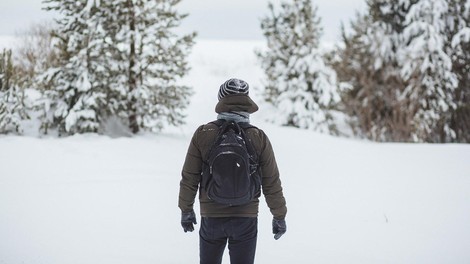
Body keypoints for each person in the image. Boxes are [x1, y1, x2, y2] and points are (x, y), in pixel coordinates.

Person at [178, 78, 287, 264]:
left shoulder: (204, 133)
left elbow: (190, 177)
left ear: (221, 100)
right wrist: (279, 215)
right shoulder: (258, 136)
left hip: (211, 216)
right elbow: (271, 181)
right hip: (246, 217)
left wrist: (186, 210)